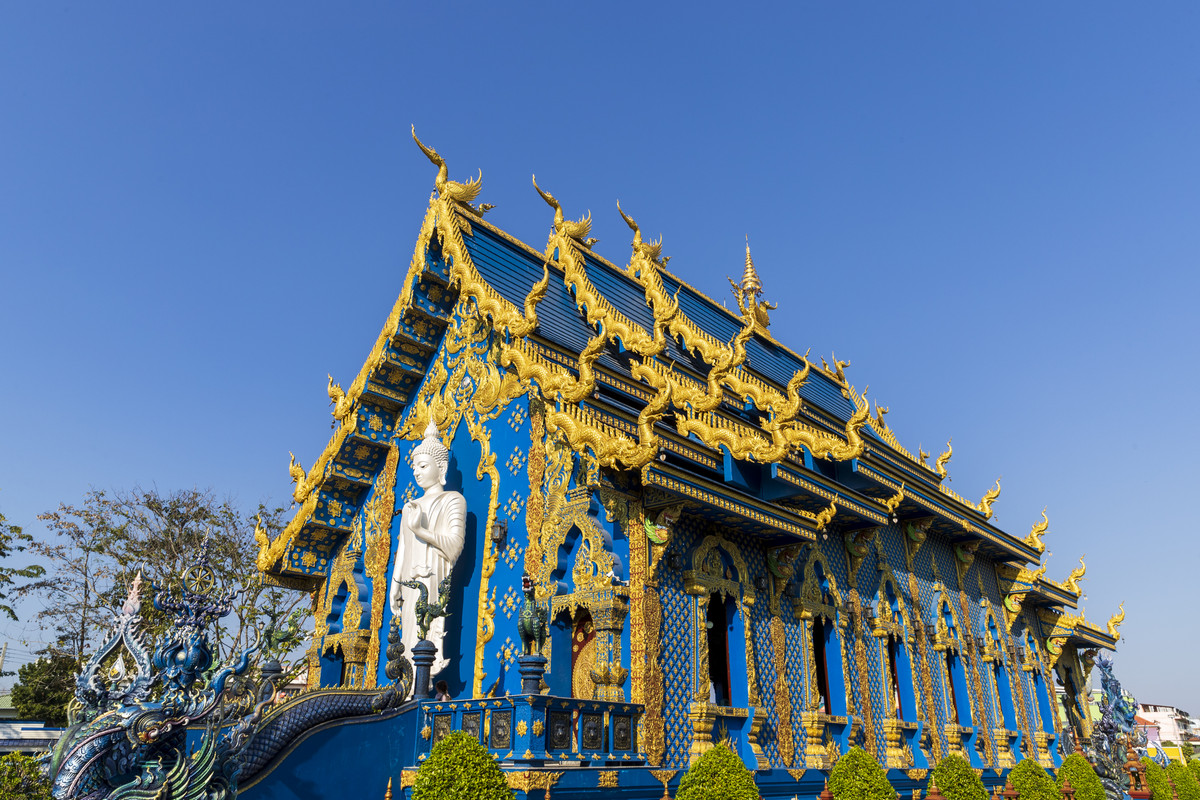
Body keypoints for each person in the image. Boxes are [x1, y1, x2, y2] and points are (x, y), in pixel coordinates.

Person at [388, 420, 467, 676]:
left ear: (440, 466)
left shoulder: (453, 500)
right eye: (415, 467)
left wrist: (421, 530)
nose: (417, 472)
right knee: (409, 634)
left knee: (426, 632)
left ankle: (422, 686)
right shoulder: (411, 506)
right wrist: (396, 584)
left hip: (434, 577)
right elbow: (403, 554)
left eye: (423, 466)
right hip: (411, 581)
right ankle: (409, 686)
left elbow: (454, 546)